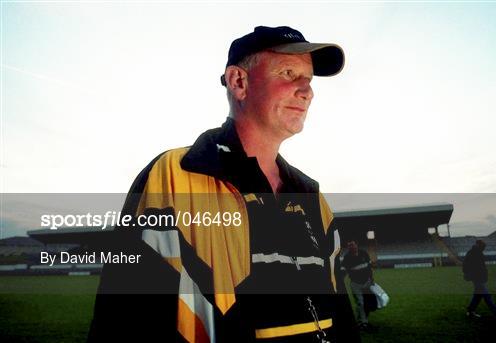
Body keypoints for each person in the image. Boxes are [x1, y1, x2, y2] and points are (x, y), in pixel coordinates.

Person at [88, 26, 352, 342]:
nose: (306, 91)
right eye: (288, 73)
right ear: (239, 82)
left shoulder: (310, 193)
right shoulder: (175, 175)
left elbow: (341, 315)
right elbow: (124, 319)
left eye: (308, 80)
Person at [462, 240, 496, 319]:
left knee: (477, 296)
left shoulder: (475, 252)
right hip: (477, 278)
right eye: (483, 246)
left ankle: (470, 311)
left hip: (478, 278)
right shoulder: (474, 253)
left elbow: (478, 267)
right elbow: (467, 266)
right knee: (487, 296)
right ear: (479, 246)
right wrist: (471, 274)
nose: (484, 248)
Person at [341, 240, 374, 329]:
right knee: (361, 303)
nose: (352, 247)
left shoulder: (364, 253)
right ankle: (364, 323)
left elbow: (369, 267)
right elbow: (343, 272)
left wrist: (372, 280)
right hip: (356, 284)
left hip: (367, 282)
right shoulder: (347, 257)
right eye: (349, 245)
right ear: (348, 247)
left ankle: (362, 320)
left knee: (367, 303)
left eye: (353, 244)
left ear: (356, 244)